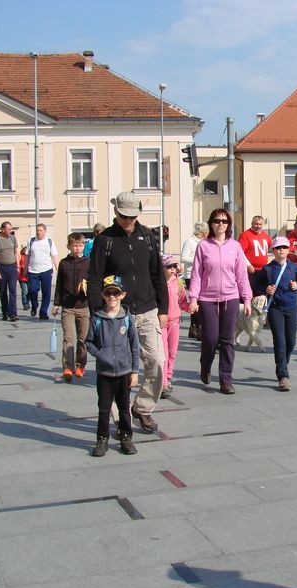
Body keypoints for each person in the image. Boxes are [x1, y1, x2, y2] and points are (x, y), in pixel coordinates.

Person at [87, 191, 168, 434]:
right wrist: (97, 313)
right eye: (124, 216)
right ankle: (120, 418)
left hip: (147, 309)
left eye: (132, 216)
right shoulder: (105, 240)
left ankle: (142, 408)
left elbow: (157, 273)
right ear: (116, 212)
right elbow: (94, 279)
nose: (128, 221)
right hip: (116, 313)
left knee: (156, 362)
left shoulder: (148, 236)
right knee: (116, 368)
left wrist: (163, 308)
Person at [188, 208, 252, 395]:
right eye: (217, 221)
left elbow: (241, 276)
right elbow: (197, 275)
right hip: (207, 298)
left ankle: (226, 380)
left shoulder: (235, 246)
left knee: (227, 340)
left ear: (229, 225)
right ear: (211, 224)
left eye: (224, 221)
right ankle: (205, 366)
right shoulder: (203, 246)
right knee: (210, 338)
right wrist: (193, 298)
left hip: (230, 298)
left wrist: (246, 299)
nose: (220, 224)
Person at [85, 275, 139, 457]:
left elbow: (134, 345)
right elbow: (89, 342)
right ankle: (102, 438)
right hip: (105, 372)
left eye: (116, 293)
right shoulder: (97, 318)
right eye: (108, 293)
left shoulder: (127, 318)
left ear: (123, 295)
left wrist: (135, 371)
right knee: (104, 408)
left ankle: (126, 437)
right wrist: (101, 354)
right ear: (103, 295)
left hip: (124, 371)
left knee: (124, 407)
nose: (112, 297)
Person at [252, 236, 297, 391]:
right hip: (275, 309)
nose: (281, 250)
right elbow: (256, 282)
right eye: (278, 248)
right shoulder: (268, 268)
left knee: (291, 342)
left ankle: (282, 364)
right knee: (280, 343)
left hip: (291, 307)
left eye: (284, 247)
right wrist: (265, 289)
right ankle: (283, 375)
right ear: (273, 251)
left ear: (288, 250)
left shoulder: (293, 267)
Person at [52, 232, 90, 381]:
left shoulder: (88, 262)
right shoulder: (63, 263)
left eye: (80, 246)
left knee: (83, 339)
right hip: (67, 306)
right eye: (75, 246)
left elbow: (94, 283)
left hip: (84, 306)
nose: (77, 248)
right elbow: (59, 284)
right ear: (69, 246)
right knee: (68, 338)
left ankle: (80, 365)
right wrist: (56, 303)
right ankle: (68, 367)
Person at [160, 253, 188, 400]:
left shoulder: (178, 282)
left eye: (174, 266)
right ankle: (163, 383)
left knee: (172, 352)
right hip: (161, 323)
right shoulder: (157, 283)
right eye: (169, 266)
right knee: (163, 354)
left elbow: (182, 300)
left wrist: (190, 307)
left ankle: (168, 377)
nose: (173, 269)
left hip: (175, 321)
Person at [24, 223, 59, 320]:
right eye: (37, 230)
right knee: (33, 290)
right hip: (33, 270)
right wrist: (24, 269)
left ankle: (43, 312)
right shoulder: (31, 241)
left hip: (46, 270)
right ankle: (34, 306)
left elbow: (54, 256)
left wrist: (58, 269)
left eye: (40, 230)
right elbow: (27, 256)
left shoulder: (49, 242)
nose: (38, 232)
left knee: (46, 292)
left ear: (45, 231)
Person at [181, 221, 209, 339]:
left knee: (198, 302)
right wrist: (197, 260)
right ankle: (199, 328)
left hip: (201, 274)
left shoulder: (204, 242)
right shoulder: (189, 242)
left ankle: (194, 328)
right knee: (196, 302)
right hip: (191, 275)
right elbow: (183, 257)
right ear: (202, 232)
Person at [0, 221, 20, 322]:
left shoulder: (13, 238)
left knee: (12, 291)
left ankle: (13, 314)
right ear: (3, 230)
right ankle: (5, 313)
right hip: (1, 268)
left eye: (11, 229)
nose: (11, 231)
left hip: (12, 267)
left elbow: (16, 252)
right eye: (9, 229)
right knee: (3, 292)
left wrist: (18, 266)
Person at [18, 246, 30, 311]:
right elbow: (18, 265)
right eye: (25, 250)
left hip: (29, 277)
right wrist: (21, 267)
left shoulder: (30, 257)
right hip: (22, 278)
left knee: (30, 291)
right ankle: (25, 304)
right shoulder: (21, 256)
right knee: (24, 291)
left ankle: (28, 302)